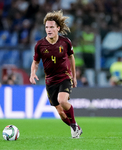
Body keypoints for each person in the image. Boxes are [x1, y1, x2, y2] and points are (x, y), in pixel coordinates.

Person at [29, 10, 82, 138]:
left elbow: (71, 58)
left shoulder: (65, 42)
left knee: (62, 100)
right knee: (61, 113)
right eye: (47, 27)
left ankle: (74, 126)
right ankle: (75, 127)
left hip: (64, 76)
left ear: (58, 28)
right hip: (50, 80)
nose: (49, 29)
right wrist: (32, 73)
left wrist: (74, 77)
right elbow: (35, 62)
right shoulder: (40, 45)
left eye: (52, 27)